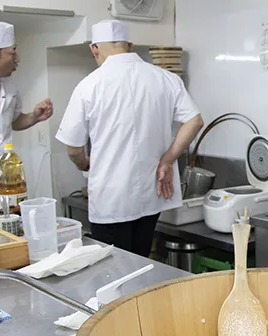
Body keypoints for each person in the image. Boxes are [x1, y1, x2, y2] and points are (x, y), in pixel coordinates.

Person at [55, 20, 204, 257]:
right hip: (152, 193)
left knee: (112, 270)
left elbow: (73, 148)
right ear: (130, 45)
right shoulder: (165, 79)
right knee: (140, 260)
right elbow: (195, 121)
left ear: (94, 49)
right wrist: (167, 159)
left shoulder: (89, 86)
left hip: (111, 199)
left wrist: (85, 163)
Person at [0, 22, 54, 145]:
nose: (17, 59)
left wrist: (35, 117)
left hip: (5, 161)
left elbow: (13, 121)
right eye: (12, 54)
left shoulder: (10, 84)